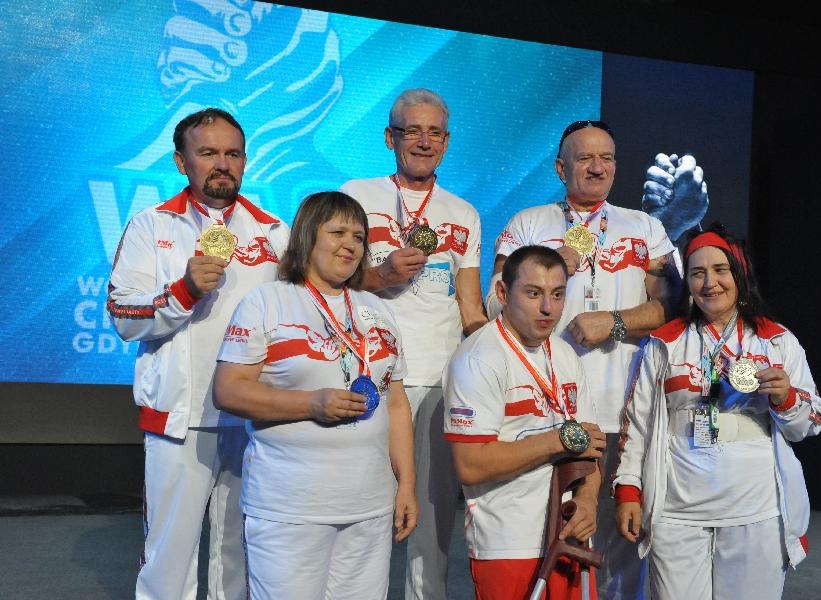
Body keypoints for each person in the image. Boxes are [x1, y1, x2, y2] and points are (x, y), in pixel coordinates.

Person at [489, 120, 681, 600]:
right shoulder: (528, 224)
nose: (598, 167)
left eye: (607, 158)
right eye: (584, 158)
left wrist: (613, 323)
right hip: (547, 408)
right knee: (548, 532)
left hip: (623, 407)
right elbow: (495, 304)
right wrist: (552, 264)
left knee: (624, 533)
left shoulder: (645, 228)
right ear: (560, 167)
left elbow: (673, 307)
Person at [107, 107, 288, 599]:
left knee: (243, 553)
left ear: (246, 161)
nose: (222, 163)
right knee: (169, 555)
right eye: (207, 153)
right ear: (181, 161)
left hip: (252, 418)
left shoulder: (274, 233)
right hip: (178, 417)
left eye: (232, 154)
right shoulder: (150, 226)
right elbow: (123, 316)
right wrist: (183, 290)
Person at [212, 191, 417, 599]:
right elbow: (228, 390)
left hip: (369, 507)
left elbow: (394, 404)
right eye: (337, 232)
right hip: (290, 509)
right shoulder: (266, 302)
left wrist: (407, 484)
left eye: (359, 237)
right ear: (307, 237)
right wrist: (311, 403)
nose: (350, 244)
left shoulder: (378, 310)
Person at [613, 224, 821, 600]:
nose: (709, 282)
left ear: (739, 275)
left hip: (755, 511)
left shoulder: (776, 340)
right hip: (677, 512)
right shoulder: (665, 343)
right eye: (697, 273)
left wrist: (785, 397)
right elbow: (638, 426)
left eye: (720, 270)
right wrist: (629, 490)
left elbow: (810, 424)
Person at [340, 87, 487, 600]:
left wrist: (496, 363)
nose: (423, 141)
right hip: (365, 377)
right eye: (412, 130)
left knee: (428, 527)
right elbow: (322, 279)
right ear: (390, 137)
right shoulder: (356, 195)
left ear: (446, 142)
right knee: (360, 518)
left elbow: (471, 307)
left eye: (434, 133)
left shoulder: (464, 213)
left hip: (436, 380)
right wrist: (379, 276)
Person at [445, 245, 606, 599]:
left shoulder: (564, 354)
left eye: (558, 294)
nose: (548, 308)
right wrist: (558, 440)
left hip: (569, 534)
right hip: (508, 544)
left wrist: (589, 500)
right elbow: (470, 465)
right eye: (533, 294)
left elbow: (591, 444)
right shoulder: (478, 358)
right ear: (502, 293)